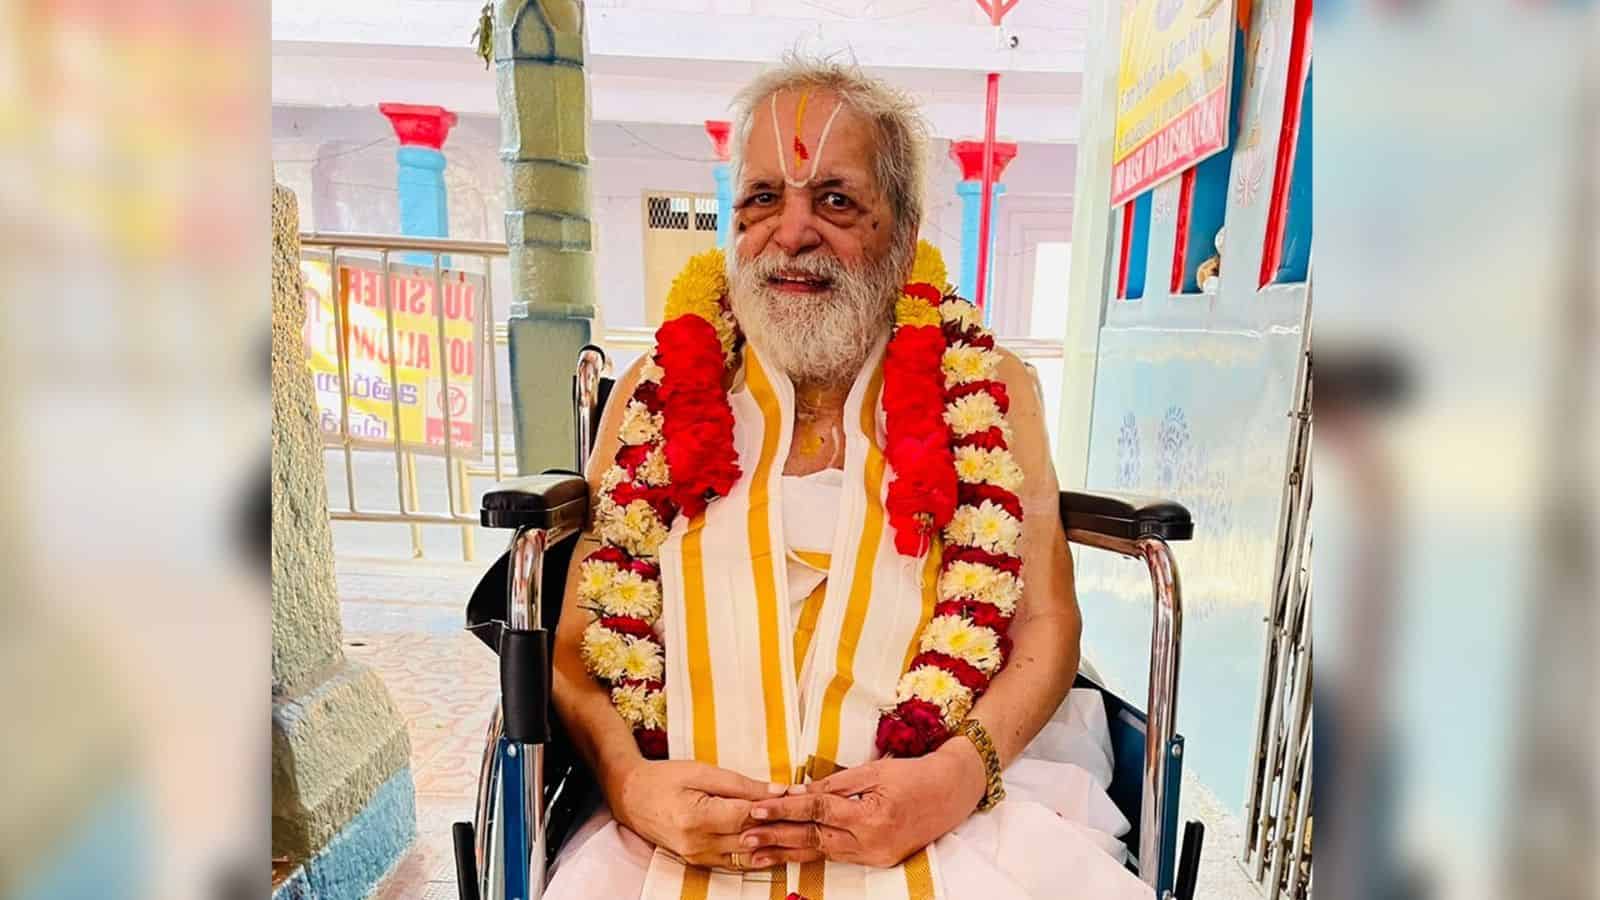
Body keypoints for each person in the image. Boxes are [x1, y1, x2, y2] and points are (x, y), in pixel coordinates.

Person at [544, 56, 1150, 900]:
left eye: (835, 199)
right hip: (680, 830)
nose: (791, 233)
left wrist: (954, 780)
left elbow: (1048, 629)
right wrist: (631, 784)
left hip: (943, 817)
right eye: (762, 199)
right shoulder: (657, 391)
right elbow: (575, 652)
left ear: (900, 229)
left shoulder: (990, 387)